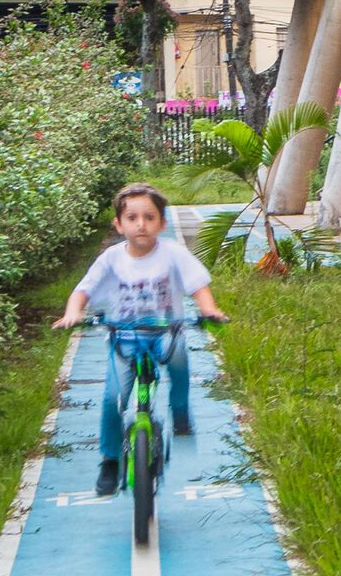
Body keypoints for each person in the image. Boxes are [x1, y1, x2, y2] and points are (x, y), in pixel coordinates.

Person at [56, 182, 227, 496]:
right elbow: (83, 290)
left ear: (162, 223)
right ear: (119, 225)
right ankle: (109, 459)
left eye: (149, 217)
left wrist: (209, 310)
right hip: (124, 337)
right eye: (132, 218)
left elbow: (198, 286)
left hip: (165, 331)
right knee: (112, 399)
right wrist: (73, 312)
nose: (141, 224)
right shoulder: (111, 258)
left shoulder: (173, 254)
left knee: (178, 359)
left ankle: (180, 410)